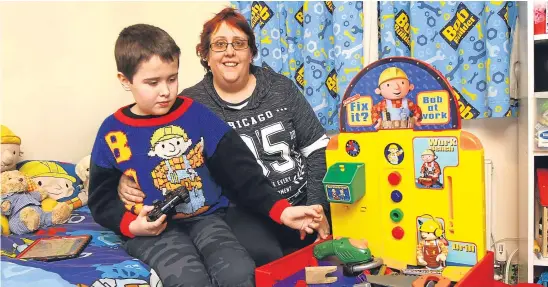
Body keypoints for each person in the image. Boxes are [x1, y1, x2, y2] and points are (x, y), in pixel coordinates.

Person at [88, 23, 325, 287]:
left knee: (239, 272)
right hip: (153, 233)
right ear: (125, 80)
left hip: (209, 219)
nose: (165, 91)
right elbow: (101, 200)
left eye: (172, 78)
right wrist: (133, 227)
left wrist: (281, 210)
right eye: (152, 83)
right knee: (189, 279)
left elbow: (242, 172)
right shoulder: (112, 132)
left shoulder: (196, 114)